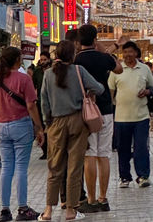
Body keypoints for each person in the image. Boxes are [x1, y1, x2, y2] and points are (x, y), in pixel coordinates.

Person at [40, 39, 104, 221]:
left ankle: (48, 211)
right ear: (72, 55)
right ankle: (71, 210)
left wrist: (47, 122)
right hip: (77, 121)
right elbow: (99, 89)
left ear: (56, 55)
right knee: (74, 168)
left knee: (54, 167)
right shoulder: (79, 71)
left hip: (56, 123)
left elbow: (43, 101)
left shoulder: (48, 74)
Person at [0, 46, 44, 222]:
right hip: (21, 125)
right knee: (20, 168)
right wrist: (39, 127)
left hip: (2, 127)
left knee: (6, 168)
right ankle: (23, 208)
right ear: (17, 60)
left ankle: (5, 210)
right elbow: (31, 106)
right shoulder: (24, 79)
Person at [74, 25, 122, 212]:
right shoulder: (104, 58)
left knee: (90, 155)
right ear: (95, 40)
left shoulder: (76, 60)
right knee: (104, 155)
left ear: (78, 42)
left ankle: (91, 199)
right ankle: (104, 197)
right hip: (106, 109)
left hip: (86, 112)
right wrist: (104, 50)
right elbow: (118, 69)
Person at [108, 40, 153, 188]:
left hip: (141, 116)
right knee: (122, 149)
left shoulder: (144, 69)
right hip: (121, 117)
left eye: (130, 51)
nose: (128, 54)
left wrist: (148, 92)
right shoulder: (116, 69)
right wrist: (111, 110)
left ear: (136, 53)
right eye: (125, 52)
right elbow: (110, 90)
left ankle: (143, 176)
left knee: (141, 147)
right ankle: (125, 177)